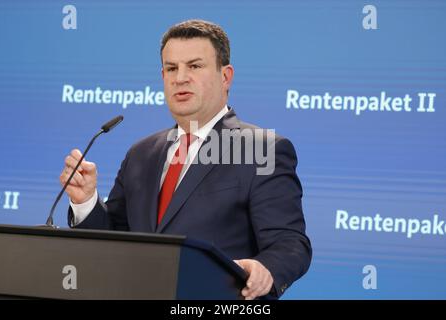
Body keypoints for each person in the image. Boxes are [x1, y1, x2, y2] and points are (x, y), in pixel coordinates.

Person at [60, 19, 312, 300]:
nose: (180, 78)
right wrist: (85, 203)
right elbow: (115, 241)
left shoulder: (262, 149)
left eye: (194, 66)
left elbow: (290, 243)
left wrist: (266, 270)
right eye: (171, 68)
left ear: (225, 77)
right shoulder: (141, 153)